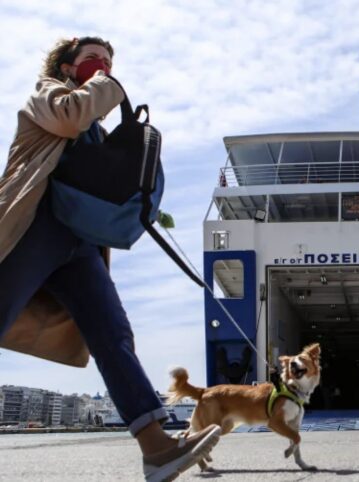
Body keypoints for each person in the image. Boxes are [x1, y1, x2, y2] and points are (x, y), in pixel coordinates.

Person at [0, 37, 220, 481]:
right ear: (66, 67)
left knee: (113, 332)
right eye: (92, 60)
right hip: (32, 226)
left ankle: (157, 449)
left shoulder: (96, 131)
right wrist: (109, 83)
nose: (103, 66)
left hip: (79, 244)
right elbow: (71, 116)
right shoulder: (47, 95)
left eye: (109, 61)